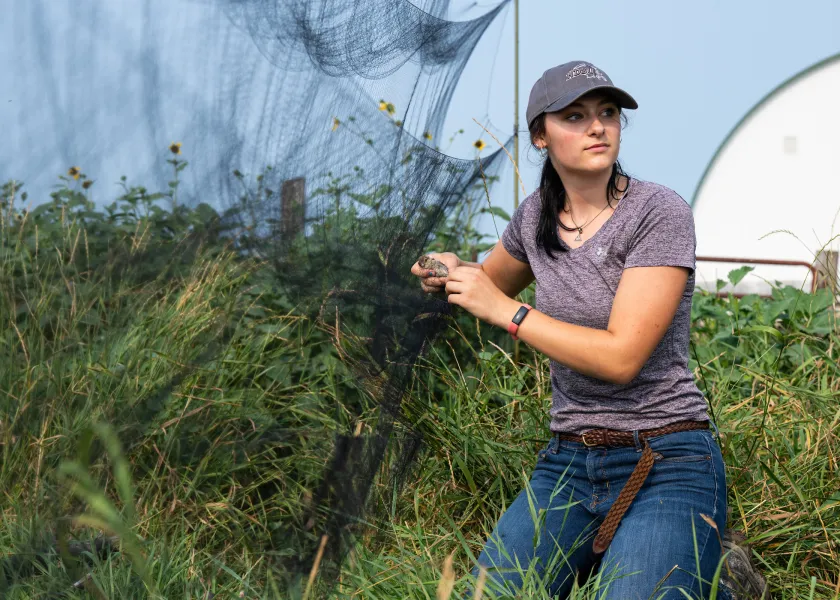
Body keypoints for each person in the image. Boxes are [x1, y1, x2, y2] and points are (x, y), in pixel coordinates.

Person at [411, 61, 728, 599]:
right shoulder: (535, 217)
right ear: (540, 136)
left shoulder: (657, 212)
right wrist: (447, 270)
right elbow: (484, 284)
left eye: (607, 113)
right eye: (575, 116)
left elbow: (621, 358)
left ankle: (705, 573)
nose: (597, 127)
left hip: (668, 455)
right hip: (569, 461)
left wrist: (509, 313)